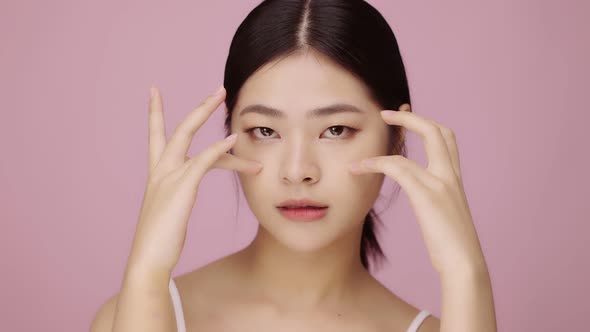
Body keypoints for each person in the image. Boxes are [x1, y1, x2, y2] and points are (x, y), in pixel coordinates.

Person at [91, 1, 497, 331]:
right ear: (229, 133)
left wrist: (466, 274)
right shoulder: (136, 314)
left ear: (399, 136)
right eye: (266, 131)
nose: (298, 170)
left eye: (336, 129)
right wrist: (146, 271)